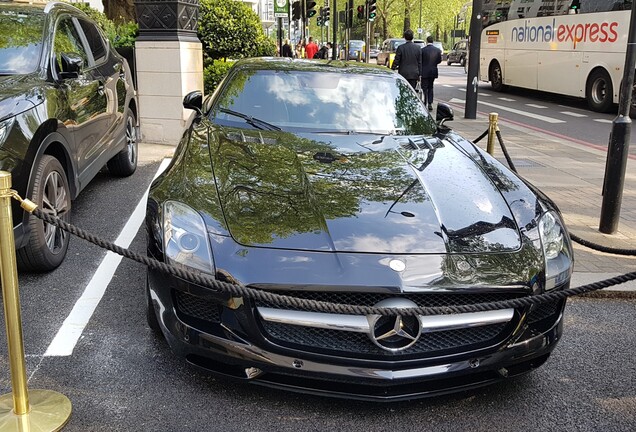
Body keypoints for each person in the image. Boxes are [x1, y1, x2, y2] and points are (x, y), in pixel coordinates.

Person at [420, 35, 442, 111]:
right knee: (431, 87)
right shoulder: (438, 50)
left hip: (424, 71)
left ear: (426, 41)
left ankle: (424, 102)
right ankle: (430, 103)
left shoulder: (422, 50)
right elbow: (439, 60)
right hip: (433, 71)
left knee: (424, 88)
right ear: (433, 41)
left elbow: (420, 61)